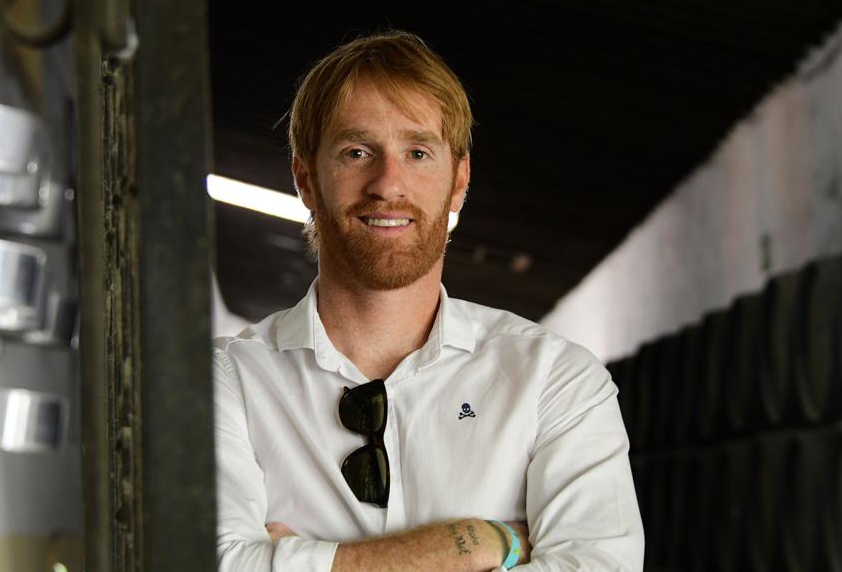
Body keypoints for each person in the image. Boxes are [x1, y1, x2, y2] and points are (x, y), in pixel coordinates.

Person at [214, 30, 644, 571]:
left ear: (458, 179)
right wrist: (475, 542)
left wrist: (295, 561)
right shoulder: (226, 379)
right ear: (305, 178)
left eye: (417, 152)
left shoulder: (556, 380)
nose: (387, 183)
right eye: (356, 152)